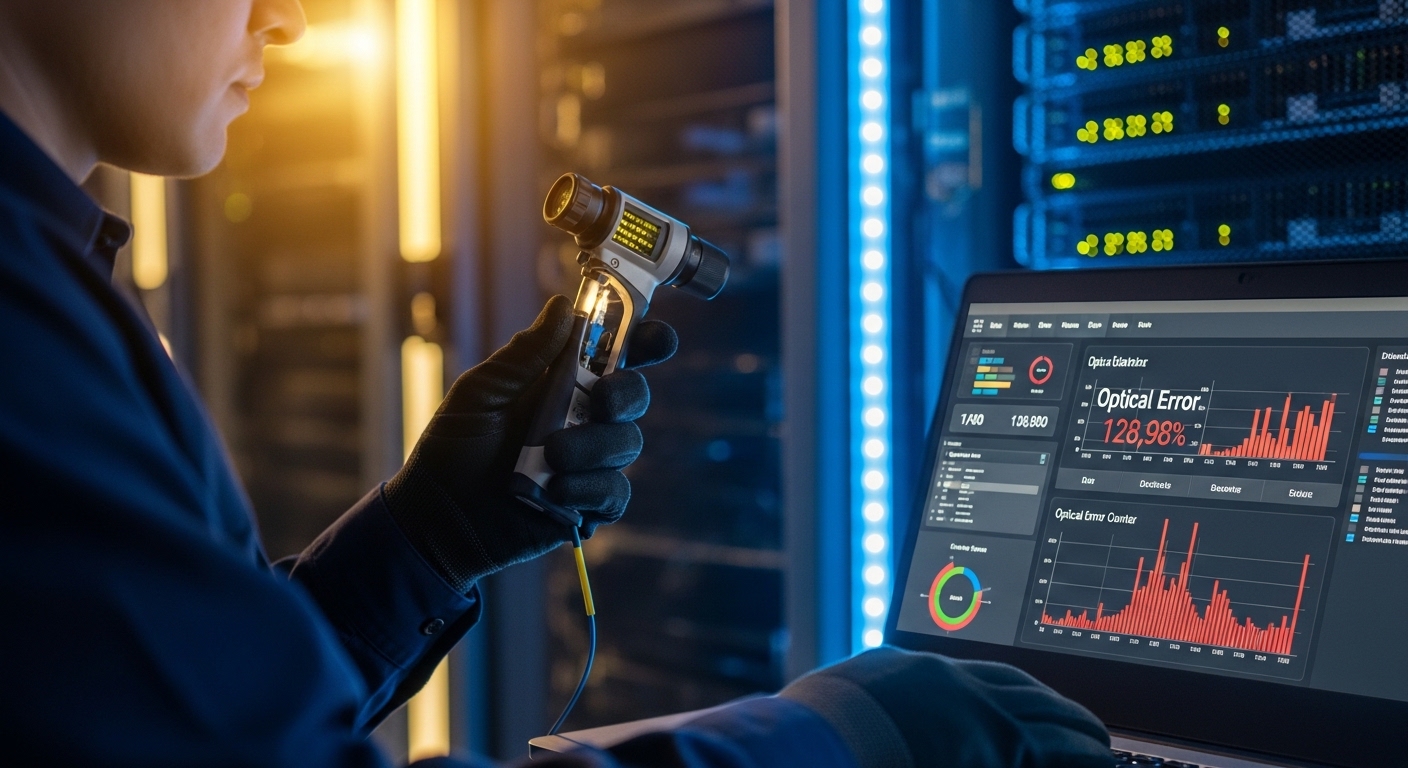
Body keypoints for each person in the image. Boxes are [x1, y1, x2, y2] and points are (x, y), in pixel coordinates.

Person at [0, 1, 1113, 766]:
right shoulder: (26, 324)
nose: (288, 17)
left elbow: (188, 718)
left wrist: (420, 540)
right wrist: (852, 735)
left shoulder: (56, 281)